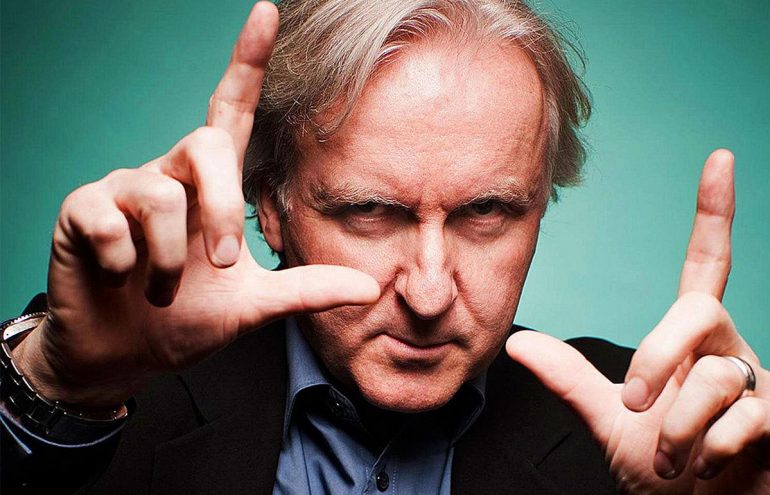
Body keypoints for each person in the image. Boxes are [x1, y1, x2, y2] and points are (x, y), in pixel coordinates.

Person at [1, 1, 768, 494]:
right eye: (369, 211)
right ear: (270, 205)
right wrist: (57, 385)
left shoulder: (663, 427)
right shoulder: (112, 402)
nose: (429, 293)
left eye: (487, 211)